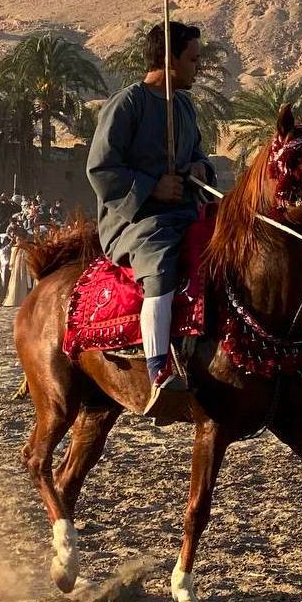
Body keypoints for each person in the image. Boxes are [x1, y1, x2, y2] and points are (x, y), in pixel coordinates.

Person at [87, 21, 216, 410]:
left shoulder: (185, 106)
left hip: (184, 211)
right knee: (161, 263)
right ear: (169, 59)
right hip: (134, 222)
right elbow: (101, 169)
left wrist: (198, 170)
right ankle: (159, 368)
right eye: (192, 59)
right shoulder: (126, 104)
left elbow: (198, 156)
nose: (197, 67)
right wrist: (153, 187)